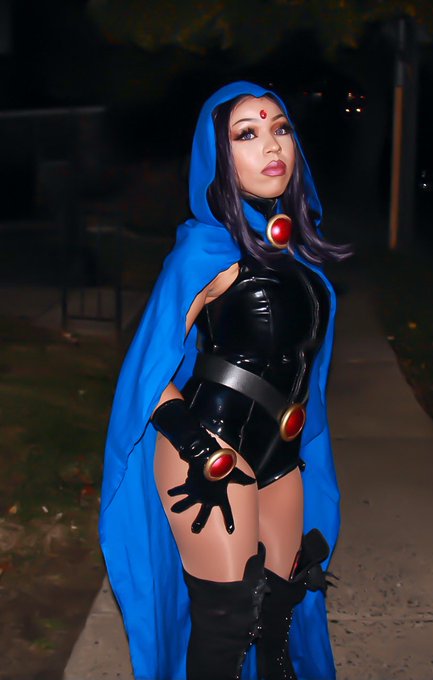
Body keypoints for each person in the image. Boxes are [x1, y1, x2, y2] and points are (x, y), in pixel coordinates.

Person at [99, 81, 350, 680]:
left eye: (280, 128)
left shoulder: (295, 255)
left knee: (278, 616)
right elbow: (147, 372)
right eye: (247, 134)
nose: (273, 145)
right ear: (218, 157)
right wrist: (195, 445)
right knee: (226, 624)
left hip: (280, 453)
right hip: (212, 451)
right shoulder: (205, 252)